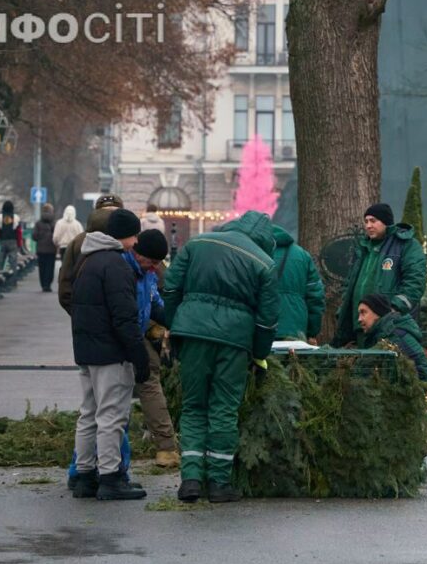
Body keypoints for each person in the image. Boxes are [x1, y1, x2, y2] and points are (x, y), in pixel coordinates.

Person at [163, 211, 279, 504]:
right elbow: (267, 320)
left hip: (192, 335)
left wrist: (173, 324)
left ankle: (190, 479)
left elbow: (171, 288)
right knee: (223, 409)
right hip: (234, 342)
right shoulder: (264, 263)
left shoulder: (196, 244)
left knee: (193, 406)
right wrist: (260, 353)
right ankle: (218, 483)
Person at [70, 208, 150, 501]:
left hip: (86, 350)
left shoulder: (87, 260)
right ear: (125, 235)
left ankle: (85, 476)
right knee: (111, 417)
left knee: (88, 415)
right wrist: (138, 355)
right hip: (111, 353)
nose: (136, 241)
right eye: (134, 235)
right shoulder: (116, 265)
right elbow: (124, 317)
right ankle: (110, 477)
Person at [333, 203, 426, 348]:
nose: (368, 225)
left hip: (389, 325)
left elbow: (415, 282)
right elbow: (351, 283)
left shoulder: (407, 245)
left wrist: (394, 309)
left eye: (373, 221)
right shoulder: (363, 248)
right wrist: (344, 310)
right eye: (366, 221)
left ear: (386, 222)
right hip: (360, 325)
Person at [129, 229, 180, 468]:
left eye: (158, 264)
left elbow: (156, 305)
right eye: (150, 262)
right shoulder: (123, 270)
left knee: (146, 385)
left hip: (138, 335)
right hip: (122, 340)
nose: (154, 268)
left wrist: (177, 323)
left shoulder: (149, 273)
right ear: (137, 252)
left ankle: (165, 448)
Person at [59, 194, 121, 314]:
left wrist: (79, 313)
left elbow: (65, 283)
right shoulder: (130, 239)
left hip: (87, 318)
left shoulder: (78, 241)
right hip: (124, 320)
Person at [357, 293, 427, 386]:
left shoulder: (395, 336)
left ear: (377, 312)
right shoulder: (379, 334)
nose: (359, 319)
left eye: (363, 312)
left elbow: (422, 373)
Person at [271, 223, 325, 342]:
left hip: (262, 327)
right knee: (293, 360)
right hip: (295, 327)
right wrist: (312, 331)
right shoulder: (302, 255)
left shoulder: (255, 252)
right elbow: (315, 296)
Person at [0, 201, 24, 273]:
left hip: (1, 241)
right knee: (13, 263)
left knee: (0, 262)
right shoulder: (16, 218)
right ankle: (13, 280)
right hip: (13, 242)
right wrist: (19, 244)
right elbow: (19, 232)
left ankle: (0, 278)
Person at [31, 204, 57, 292]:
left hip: (41, 249)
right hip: (51, 249)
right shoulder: (54, 223)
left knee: (42, 267)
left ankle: (43, 285)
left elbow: (34, 236)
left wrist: (40, 237)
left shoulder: (38, 223)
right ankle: (48, 285)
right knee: (50, 267)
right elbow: (56, 236)